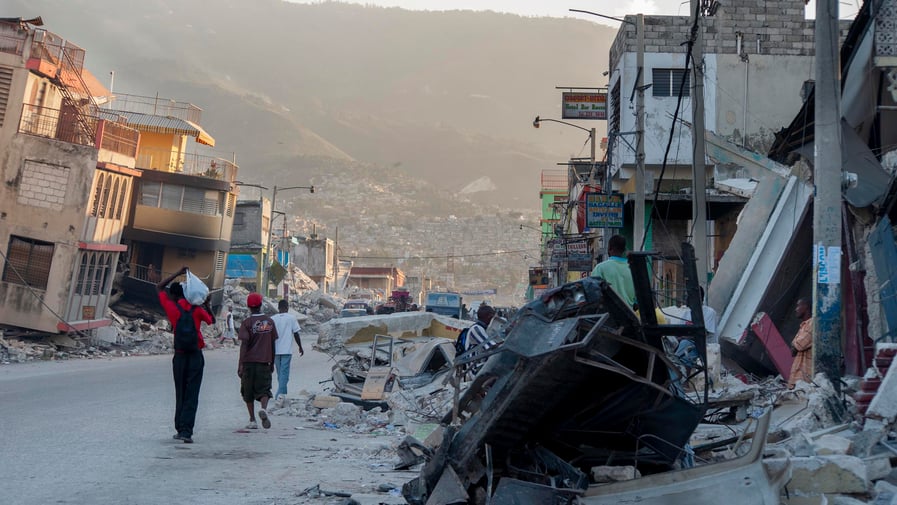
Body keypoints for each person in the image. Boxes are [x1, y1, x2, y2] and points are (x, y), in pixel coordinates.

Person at [156, 265, 214, 444]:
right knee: (192, 393)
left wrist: (178, 272)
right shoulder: (197, 310)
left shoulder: (172, 308)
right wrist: (206, 304)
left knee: (180, 391)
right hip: (196, 355)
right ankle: (187, 431)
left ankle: (180, 428)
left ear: (174, 296)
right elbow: (211, 321)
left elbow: (159, 287)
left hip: (180, 356)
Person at [238, 292, 278, 429]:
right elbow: (273, 343)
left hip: (249, 362)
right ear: (261, 305)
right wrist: (272, 362)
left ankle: (252, 420)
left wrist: (240, 365)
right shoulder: (270, 322)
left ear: (249, 306)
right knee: (265, 390)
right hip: (264, 362)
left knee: (247, 392)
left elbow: (244, 345)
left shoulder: (246, 323)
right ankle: (264, 409)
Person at [271, 299, 304, 402]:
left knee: (280, 374)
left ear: (278, 308)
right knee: (284, 374)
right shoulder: (291, 318)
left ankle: (281, 393)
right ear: (287, 308)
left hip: (275, 351)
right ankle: (280, 394)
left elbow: (269, 336)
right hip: (286, 350)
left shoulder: (272, 319)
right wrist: (300, 346)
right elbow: (296, 334)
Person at [590, 234, 636, 308]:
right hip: (629, 313)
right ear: (624, 250)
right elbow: (637, 299)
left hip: (607, 313)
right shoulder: (633, 269)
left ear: (609, 248)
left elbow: (592, 293)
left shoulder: (600, 268)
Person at [788, 298, 813, 389]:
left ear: (806, 307)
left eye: (798, 306)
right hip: (798, 377)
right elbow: (793, 350)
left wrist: (794, 344)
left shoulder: (812, 323)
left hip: (805, 379)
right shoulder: (804, 325)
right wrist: (794, 344)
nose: (796, 309)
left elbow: (799, 345)